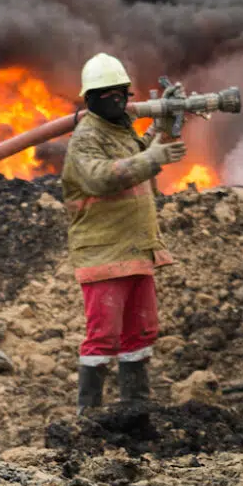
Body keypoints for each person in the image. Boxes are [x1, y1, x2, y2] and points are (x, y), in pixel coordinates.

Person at [60, 53, 184, 413]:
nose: (116, 100)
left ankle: (135, 409)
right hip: (103, 254)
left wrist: (162, 126)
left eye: (121, 93)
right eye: (107, 94)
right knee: (104, 337)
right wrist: (154, 158)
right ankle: (89, 417)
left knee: (141, 332)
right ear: (91, 99)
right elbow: (102, 176)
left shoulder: (119, 130)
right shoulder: (85, 138)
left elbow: (139, 157)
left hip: (136, 249)